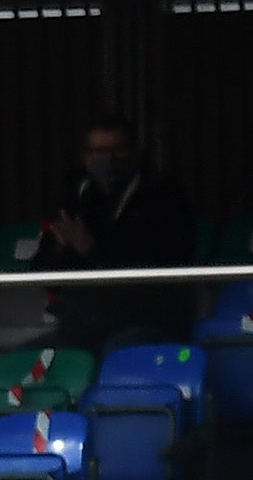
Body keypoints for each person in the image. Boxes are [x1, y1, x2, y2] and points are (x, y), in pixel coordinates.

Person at [33, 114, 198, 352]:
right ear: (85, 157)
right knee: (26, 359)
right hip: (81, 328)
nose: (107, 159)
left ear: (133, 152)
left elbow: (163, 266)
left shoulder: (164, 197)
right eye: (98, 152)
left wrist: (92, 249)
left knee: (116, 356)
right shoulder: (74, 199)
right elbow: (43, 272)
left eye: (116, 151)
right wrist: (61, 249)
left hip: (149, 323)